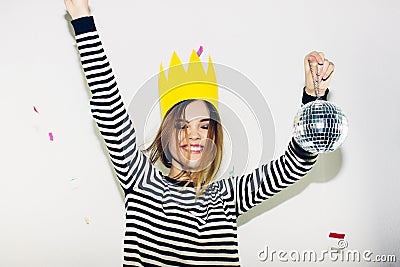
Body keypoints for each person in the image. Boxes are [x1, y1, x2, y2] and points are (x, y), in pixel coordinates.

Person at [64, 0, 335, 266]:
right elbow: (109, 110)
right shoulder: (141, 183)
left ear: (213, 139)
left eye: (204, 126)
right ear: (166, 136)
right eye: (183, 125)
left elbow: (293, 166)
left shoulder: (228, 197)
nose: (193, 135)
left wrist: (314, 99)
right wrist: (82, 19)